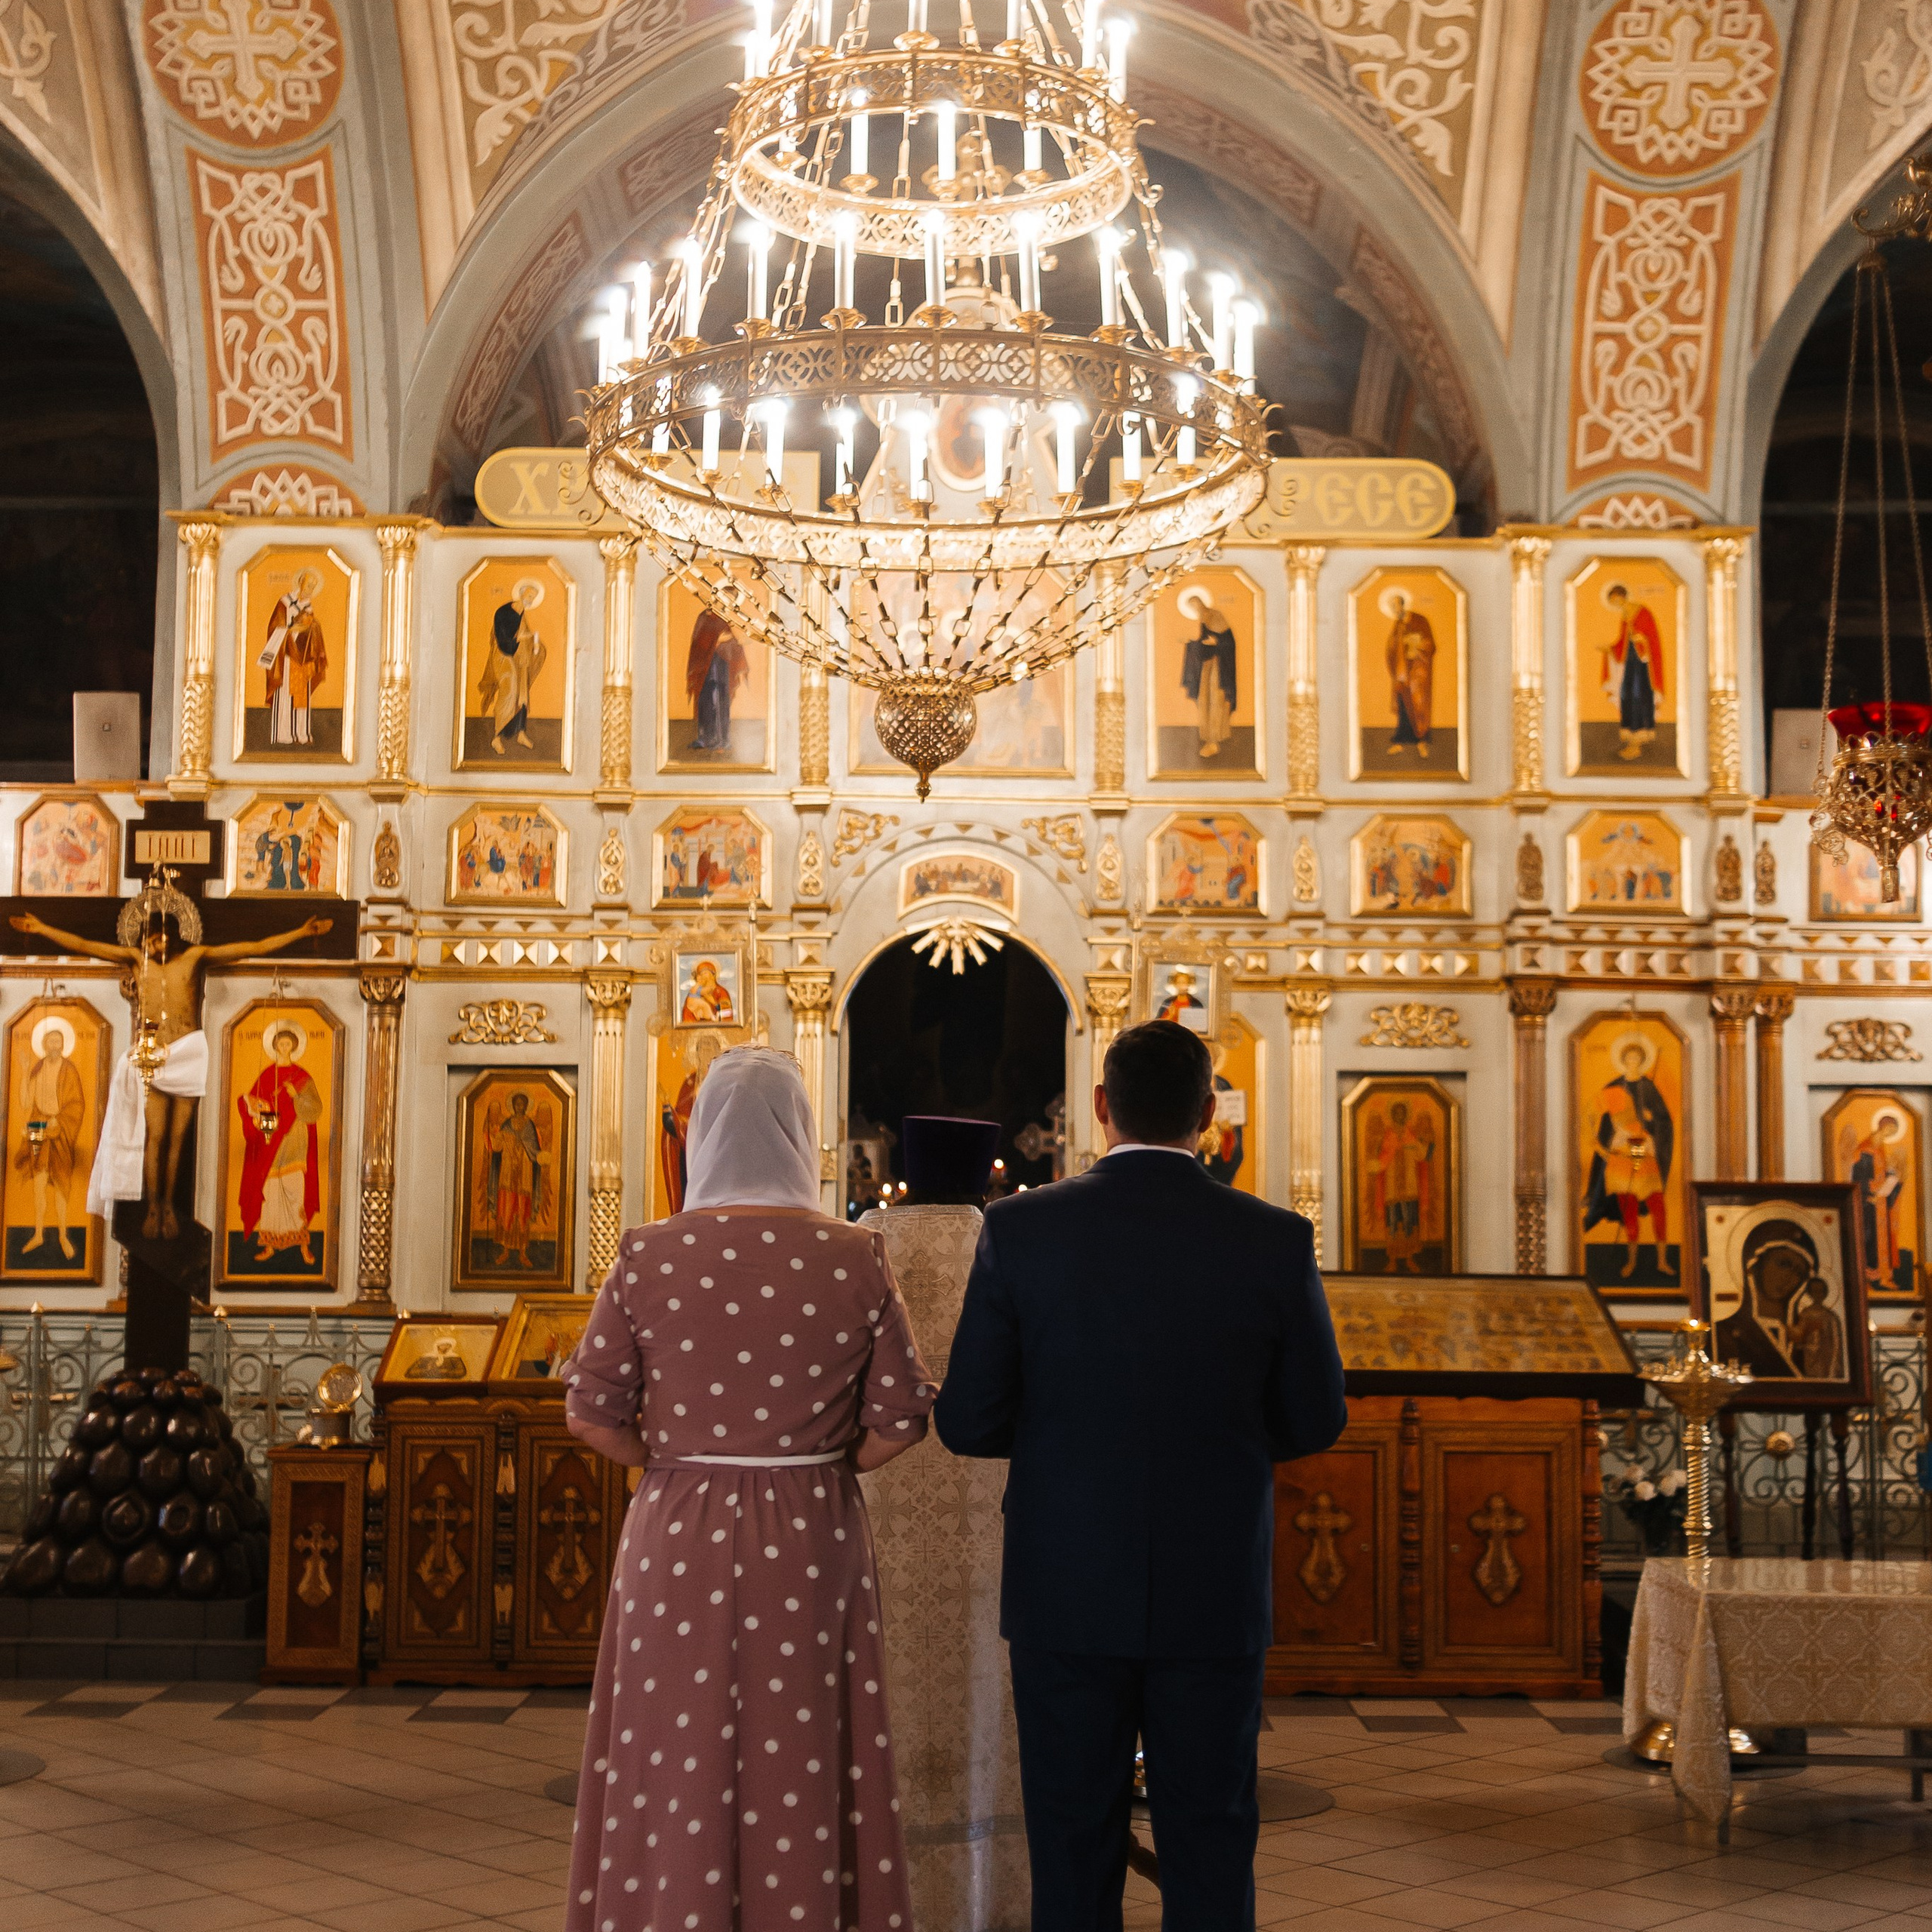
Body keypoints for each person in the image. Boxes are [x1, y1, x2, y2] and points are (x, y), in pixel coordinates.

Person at [937, 1020, 1347, 1931]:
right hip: (1214, 1584)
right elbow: (1316, 1417)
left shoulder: (1021, 1228)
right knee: (1210, 1831)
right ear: (1208, 1112)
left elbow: (966, 1419)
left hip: (1065, 1582)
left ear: (1100, 1106)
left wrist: (1061, 1443)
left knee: (1071, 1834)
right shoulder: (1274, 1238)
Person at [561, 1048, 936, 1932]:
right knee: (802, 1740)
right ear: (801, 1134)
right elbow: (901, 1418)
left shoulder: (646, 1253)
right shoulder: (855, 1254)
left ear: (699, 1136)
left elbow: (589, 1411)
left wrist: (672, 1459)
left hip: (676, 1527)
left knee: (672, 1744)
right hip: (810, 1530)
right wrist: (820, 1463)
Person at [860, 1115, 1029, 1932]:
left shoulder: (862, 1242)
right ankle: (985, 1897)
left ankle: (876, 1889)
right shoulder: (1007, 1241)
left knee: (882, 1675)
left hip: (877, 1495)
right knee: (983, 1676)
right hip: (984, 1497)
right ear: (983, 1171)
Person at [11, 904, 330, 1242]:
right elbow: (84, 945)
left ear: (172, 937)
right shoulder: (136, 960)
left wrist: (301, 933)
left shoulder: (195, 958)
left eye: (159, 940)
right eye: (149, 941)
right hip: (154, 1055)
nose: (154, 946)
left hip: (189, 1052)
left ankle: (167, 1206)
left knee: (178, 1138)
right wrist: (41, 928)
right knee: (156, 1136)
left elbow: (253, 948)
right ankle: (153, 1206)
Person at [1582, 1033, 1675, 1281]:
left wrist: (1650, 1120)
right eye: (1629, 1058)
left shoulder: (1648, 1087)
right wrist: (1599, 1145)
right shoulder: (1614, 1089)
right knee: (1629, 1211)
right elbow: (1590, 1114)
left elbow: (1663, 1120)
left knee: (1658, 1209)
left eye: (1637, 1058)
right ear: (1623, 1061)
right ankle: (1632, 1261)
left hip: (1645, 1154)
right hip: (1622, 1158)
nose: (1633, 1062)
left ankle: (1662, 1260)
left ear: (1641, 1061)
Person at [235, 1023, 323, 1265]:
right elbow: (254, 1102)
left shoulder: (302, 1077)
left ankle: (303, 1244)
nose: (284, 1048)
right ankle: (269, 1245)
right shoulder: (267, 1074)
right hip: (271, 1137)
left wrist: (296, 1095)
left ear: (294, 1047)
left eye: (288, 1044)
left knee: (295, 1188)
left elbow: (315, 1110)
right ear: (275, 1047)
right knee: (271, 1189)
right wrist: (252, 1106)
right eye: (280, 1044)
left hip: (295, 1136)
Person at [16, 1016, 85, 1258]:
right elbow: (26, 1102)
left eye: (58, 1041)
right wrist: (25, 1071)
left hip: (60, 1130)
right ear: (44, 1044)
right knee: (39, 1182)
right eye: (50, 1041)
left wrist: (60, 1119)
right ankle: (38, 1233)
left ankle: (63, 1235)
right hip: (38, 1126)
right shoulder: (37, 1068)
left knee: (61, 1183)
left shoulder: (69, 1070)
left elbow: (77, 1104)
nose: (54, 1046)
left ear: (63, 1045)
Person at [260, 568, 328, 747]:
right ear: (300, 583)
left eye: (313, 587)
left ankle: (301, 733)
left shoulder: (308, 608)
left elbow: (312, 632)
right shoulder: (285, 602)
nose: (310, 589)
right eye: (308, 585)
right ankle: (284, 733)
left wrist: (311, 627)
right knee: (285, 693)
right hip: (287, 656)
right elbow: (275, 627)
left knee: (301, 695)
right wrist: (292, 629)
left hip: (302, 659)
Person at [481, 580, 546, 753]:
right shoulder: (503, 612)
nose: (530, 599)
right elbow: (502, 640)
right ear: (522, 593)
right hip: (503, 657)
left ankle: (521, 733)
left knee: (522, 694)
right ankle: (496, 738)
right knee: (509, 692)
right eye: (529, 595)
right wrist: (520, 638)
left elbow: (526, 636)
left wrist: (534, 644)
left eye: (533, 597)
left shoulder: (521, 613)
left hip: (519, 659)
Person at [1601, 583, 1663, 761]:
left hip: (1643, 665)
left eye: (1616, 600)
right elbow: (1622, 642)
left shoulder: (1642, 612)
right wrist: (1610, 649)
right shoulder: (1625, 616)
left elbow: (1652, 636)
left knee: (1639, 696)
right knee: (1626, 695)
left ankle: (1637, 742)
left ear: (1622, 596)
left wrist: (1642, 639)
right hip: (1630, 664)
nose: (1616, 604)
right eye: (1613, 603)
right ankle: (1631, 740)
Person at [1177, 586, 1237, 759]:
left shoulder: (1215, 616)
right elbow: (1206, 643)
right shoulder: (1204, 619)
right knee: (1205, 701)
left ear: (1201, 603)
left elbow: (1227, 642)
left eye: (1196, 604)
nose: (1195, 609)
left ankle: (1214, 741)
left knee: (1215, 702)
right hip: (1208, 667)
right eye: (1192, 607)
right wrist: (1191, 644)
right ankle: (1209, 740)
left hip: (1218, 669)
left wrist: (1216, 643)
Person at [1382, 587, 1436, 758]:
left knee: (1418, 706)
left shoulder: (1420, 621)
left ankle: (1421, 742)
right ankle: (1400, 742)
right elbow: (1392, 649)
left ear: (1403, 604)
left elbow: (1429, 644)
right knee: (1403, 706)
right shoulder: (1398, 625)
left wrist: (1416, 647)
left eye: (1396, 605)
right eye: (1392, 607)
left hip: (1418, 674)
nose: (1395, 609)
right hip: (1402, 674)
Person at [688, 609, 750, 753]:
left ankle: (722, 740)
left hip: (722, 665)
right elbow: (698, 641)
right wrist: (716, 640)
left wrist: (730, 639)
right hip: (705, 667)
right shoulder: (704, 617)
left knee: (721, 701)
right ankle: (705, 739)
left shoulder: (727, 616)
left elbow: (736, 639)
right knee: (705, 701)